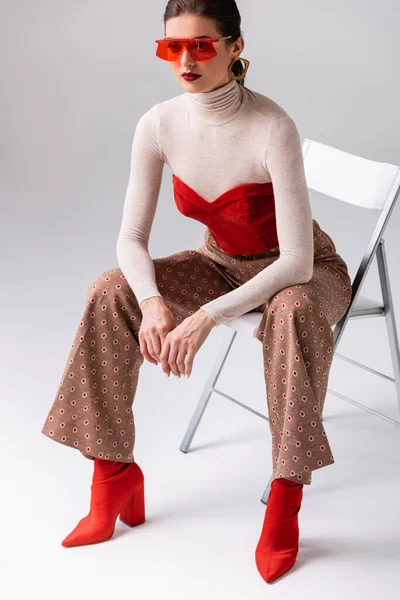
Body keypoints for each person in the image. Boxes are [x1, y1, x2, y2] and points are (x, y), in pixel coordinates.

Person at [40, 0, 352, 585]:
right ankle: (112, 478)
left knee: (292, 313)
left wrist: (207, 316)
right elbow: (131, 238)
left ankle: (285, 501)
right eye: (172, 47)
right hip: (220, 263)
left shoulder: (271, 126)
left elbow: (296, 260)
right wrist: (154, 300)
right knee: (112, 291)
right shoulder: (158, 124)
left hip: (302, 274)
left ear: (235, 47)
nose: (185, 59)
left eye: (201, 45)